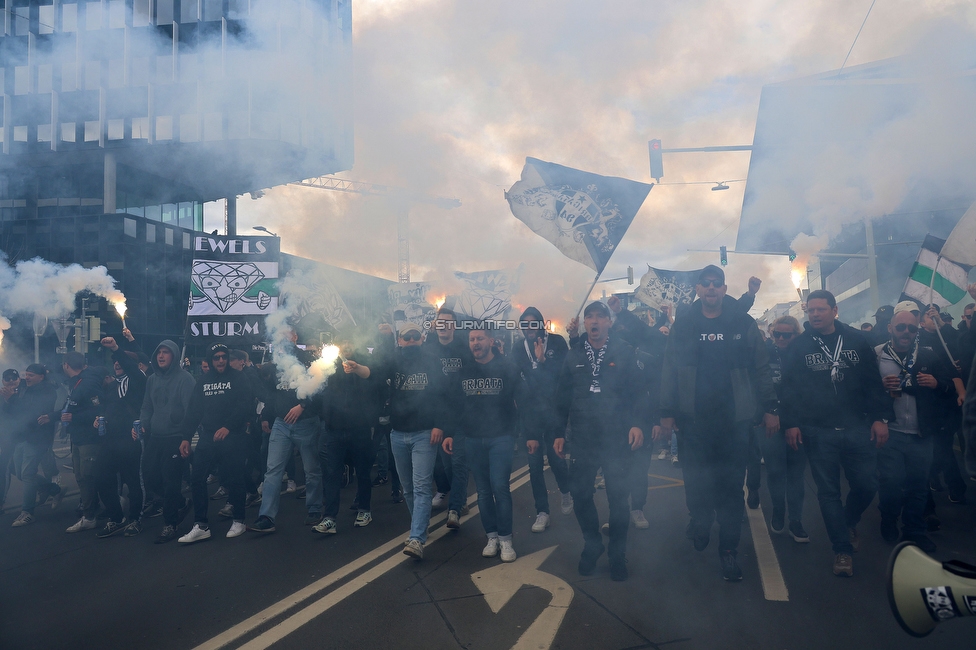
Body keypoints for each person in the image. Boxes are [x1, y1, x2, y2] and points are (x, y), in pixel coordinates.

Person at [658, 265, 777, 582]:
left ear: (724, 289)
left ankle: (728, 551)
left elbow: (762, 367)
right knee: (696, 484)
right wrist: (666, 412)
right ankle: (699, 520)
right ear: (698, 289)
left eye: (717, 284)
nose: (711, 288)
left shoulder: (743, 322)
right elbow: (668, 369)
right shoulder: (684, 325)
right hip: (693, 423)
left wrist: (770, 408)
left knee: (729, 490)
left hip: (734, 423)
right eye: (706, 284)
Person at [779, 290, 892, 577]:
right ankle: (841, 549)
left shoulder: (856, 339)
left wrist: (879, 417)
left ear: (834, 310)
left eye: (820, 309)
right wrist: (790, 422)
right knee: (828, 492)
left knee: (867, 484)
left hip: (857, 427)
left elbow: (872, 382)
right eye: (810, 310)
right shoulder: (799, 345)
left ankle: (846, 521)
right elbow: (788, 388)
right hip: (818, 430)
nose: (815, 314)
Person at [554, 301, 645, 582]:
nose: (593, 321)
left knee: (618, 498)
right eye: (589, 317)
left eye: (599, 317)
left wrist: (637, 424)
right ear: (584, 323)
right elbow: (561, 397)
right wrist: (559, 432)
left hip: (617, 436)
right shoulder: (573, 355)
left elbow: (639, 392)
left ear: (609, 322)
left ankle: (617, 553)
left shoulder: (625, 352)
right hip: (583, 437)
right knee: (580, 494)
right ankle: (592, 544)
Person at [876, 302, 954, 554]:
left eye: (911, 327)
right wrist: (881, 388)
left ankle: (914, 531)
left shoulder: (928, 354)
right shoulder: (877, 354)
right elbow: (862, 391)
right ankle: (888, 520)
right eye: (901, 327)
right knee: (890, 485)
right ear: (890, 328)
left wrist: (936, 383)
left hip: (921, 435)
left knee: (918, 487)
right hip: (892, 433)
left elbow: (950, 384)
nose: (906, 332)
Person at [443, 326, 526, 562]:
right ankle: (491, 537)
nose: (475, 343)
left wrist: (527, 433)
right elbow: (454, 405)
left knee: (500, 487)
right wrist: (449, 432)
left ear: (491, 341)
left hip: (501, 437)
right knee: (482, 492)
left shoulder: (507, 367)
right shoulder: (463, 371)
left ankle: (506, 539)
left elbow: (523, 399)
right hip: (472, 438)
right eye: (471, 339)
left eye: (480, 338)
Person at [377, 322, 450, 560]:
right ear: (399, 340)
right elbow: (374, 373)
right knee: (407, 487)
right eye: (405, 337)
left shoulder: (432, 361)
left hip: (424, 433)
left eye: (414, 336)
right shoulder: (393, 361)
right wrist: (356, 367)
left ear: (422, 338)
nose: (410, 340)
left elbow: (443, 394)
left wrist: (440, 424)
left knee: (420, 486)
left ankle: (417, 537)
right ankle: (420, 527)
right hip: (397, 433)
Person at [178, 344, 255, 543]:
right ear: (211, 360)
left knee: (235, 478)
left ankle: (239, 519)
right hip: (208, 436)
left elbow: (246, 404)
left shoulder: (239, 378)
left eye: (223, 357)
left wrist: (229, 426)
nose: (220, 360)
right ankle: (201, 524)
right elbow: (194, 410)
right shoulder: (203, 381)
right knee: (197, 479)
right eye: (216, 358)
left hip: (233, 436)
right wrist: (186, 436)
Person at [514, 306, 572, 534]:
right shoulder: (518, 348)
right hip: (530, 414)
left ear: (541, 324)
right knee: (534, 466)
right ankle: (542, 512)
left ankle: (566, 492)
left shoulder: (557, 343)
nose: (529, 328)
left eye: (533, 323)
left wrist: (541, 362)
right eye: (525, 324)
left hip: (554, 411)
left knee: (557, 460)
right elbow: (519, 380)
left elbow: (563, 376)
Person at [310, 339, 377, 534]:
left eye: (349, 341)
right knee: (331, 474)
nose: (346, 346)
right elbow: (320, 390)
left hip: (360, 428)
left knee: (363, 471)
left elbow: (371, 378)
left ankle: (364, 509)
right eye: (342, 342)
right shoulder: (329, 365)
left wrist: (357, 368)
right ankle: (329, 517)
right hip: (334, 429)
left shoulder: (364, 362)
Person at [138, 340, 196, 543]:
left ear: (174, 356)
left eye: (166, 353)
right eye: (159, 352)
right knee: (150, 476)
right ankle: (181, 503)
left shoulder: (185, 379)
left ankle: (171, 523)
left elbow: (192, 410)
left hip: (176, 438)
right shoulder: (152, 379)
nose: (161, 356)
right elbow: (146, 405)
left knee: (171, 482)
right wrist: (144, 422)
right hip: (155, 437)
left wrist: (186, 437)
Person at [94, 336, 149, 537]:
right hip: (110, 441)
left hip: (131, 439)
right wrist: (100, 418)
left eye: (120, 361)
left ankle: (135, 519)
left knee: (134, 482)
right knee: (100, 477)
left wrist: (117, 349)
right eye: (114, 361)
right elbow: (107, 408)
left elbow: (131, 367)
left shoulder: (139, 380)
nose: (116, 363)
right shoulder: (111, 386)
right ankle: (116, 518)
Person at [762, 316, 809, 542]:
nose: (780, 338)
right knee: (775, 470)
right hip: (770, 421)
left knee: (796, 473)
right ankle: (779, 509)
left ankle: (796, 520)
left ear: (795, 335)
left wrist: (796, 422)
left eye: (786, 335)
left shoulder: (803, 354)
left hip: (798, 422)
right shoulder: (764, 353)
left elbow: (806, 393)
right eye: (776, 334)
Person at [424, 308, 472, 524]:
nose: (444, 326)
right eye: (440, 322)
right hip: (436, 414)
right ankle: (449, 492)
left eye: (448, 322)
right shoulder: (429, 347)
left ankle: (456, 507)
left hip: (461, 414)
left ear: (454, 325)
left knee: (457, 462)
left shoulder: (464, 347)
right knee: (443, 463)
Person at [5, 364, 61, 526]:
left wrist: (12, 399)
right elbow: (17, 413)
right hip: (23, 437)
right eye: (26, 374)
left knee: (28, 474)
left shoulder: (47, 391)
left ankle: (27, 512)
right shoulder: (25, 389)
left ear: (41, 377)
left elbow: (33, 412)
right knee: (18, 471)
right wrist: (8, 399)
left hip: (38, 438)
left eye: (31, 375)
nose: (27, 378)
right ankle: (55, 489)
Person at [61, 351, 107, 534]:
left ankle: (91, 516)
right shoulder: (78, 382)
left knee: (88, 476)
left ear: (66, 365)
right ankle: (92, 512)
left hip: (88, 438)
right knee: (82, 476)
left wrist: (74, 417)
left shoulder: (87, 382)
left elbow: (99, 408)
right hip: (79, 437)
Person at [0, 369, 22, 511]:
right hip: (5, 436)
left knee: (5, 469)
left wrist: (11, 399)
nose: (11, 381)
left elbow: (22, 414)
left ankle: (1, 502)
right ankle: (51, 488)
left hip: (18, 437)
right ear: (2, 381)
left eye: (14, 378)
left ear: (19, 379)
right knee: (16, 470)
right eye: (7, 379)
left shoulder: (23, 394)